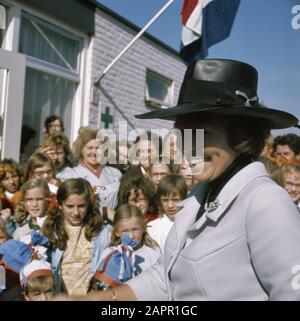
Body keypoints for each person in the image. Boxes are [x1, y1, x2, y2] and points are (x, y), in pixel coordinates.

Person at [54, 59, 300, 301]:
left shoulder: (265, 201)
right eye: (183, 133)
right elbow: (165, 279)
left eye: (203, 133)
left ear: (240, 136)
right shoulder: (199, 196)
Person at [42, 178, 111, 295]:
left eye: (81, 206)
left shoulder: (101, 232)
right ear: (60, 205)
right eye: (70, 206)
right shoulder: (51, 231)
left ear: (88, 204)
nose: (76, 212)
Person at [89, 204, 160, 291]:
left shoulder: (154, 256)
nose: (131, 236)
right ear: (117, 232)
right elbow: (99, 287)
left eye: (135, 229)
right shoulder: (108, 254)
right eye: (125, 231)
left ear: (143, 228)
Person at [60, 127, 121, 210]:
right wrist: (105, 213)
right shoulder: (70, 176)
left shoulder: (115, 174)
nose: (94, 152)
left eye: (98, 148)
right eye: (90, 148)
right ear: (81, 150)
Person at [147, 175, 188, 253]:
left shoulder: (192, 223)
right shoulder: (152, 228)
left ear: (184, 198)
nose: (170, 205)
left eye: (175, 200)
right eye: (165, 200)